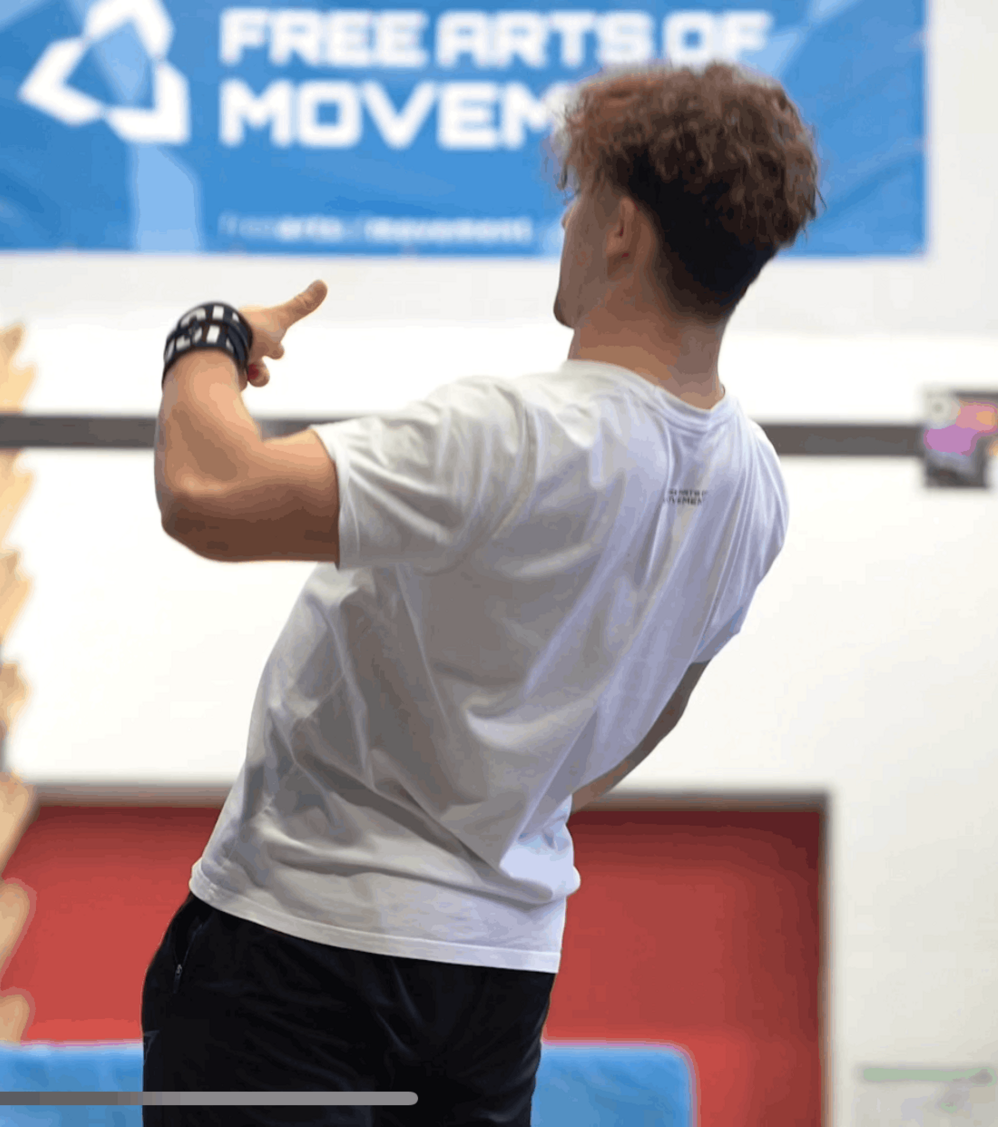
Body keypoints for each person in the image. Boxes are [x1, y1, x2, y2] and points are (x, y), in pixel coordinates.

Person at [141, 61, 822, 1125]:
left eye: (579, 197)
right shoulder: (754, 485)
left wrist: (206, 341)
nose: (566, 219)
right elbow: (639, 721)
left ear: (620, 233)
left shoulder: (511, 434)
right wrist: (503, 799)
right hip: (497, 974)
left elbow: (208, 494)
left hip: (302, 941)